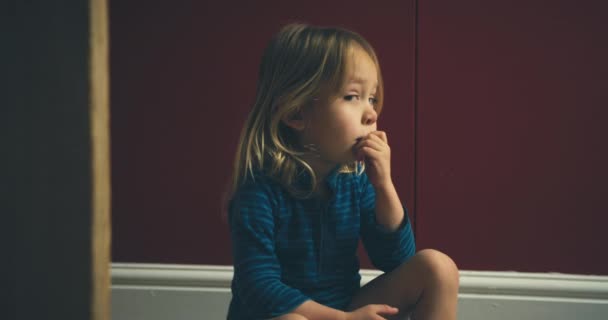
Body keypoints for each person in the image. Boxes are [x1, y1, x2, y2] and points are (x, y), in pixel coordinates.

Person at [226, 23, 459, 320]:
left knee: (437, 268)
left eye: (372, 98)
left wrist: (384, 185)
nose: (371, 112)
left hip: (343, 307)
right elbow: (258, 287)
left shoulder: (355, 179)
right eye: (352, 96)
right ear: (296, 113)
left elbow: (397, 259)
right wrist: (343, 319)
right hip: (282, 314)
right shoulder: (259, 190)